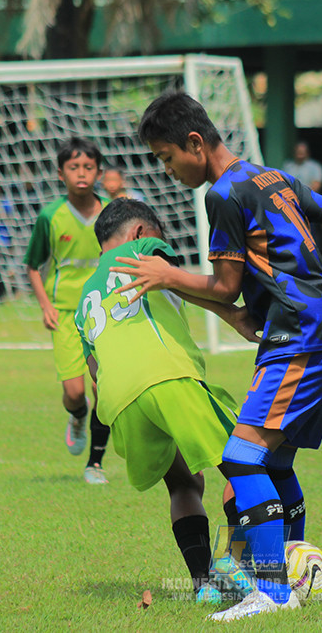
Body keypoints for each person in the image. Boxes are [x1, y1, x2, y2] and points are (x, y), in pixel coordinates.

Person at [112, 91, 322, 621]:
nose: (167, 170)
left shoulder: (222, 195)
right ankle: (288, 568)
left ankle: (270, 592)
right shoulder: (272, 178)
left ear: (195, 143)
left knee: (240, 458)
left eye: (166, 157)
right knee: (272, 460)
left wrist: (166, 276)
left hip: (299, 338)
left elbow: (225, 287)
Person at [76, 197, 258, 604]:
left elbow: (93, 366)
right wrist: (233, 315)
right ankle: (235, 562)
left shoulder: (84, 297)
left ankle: (203, 586)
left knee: (183, 482)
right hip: (168, 378)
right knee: (247, 465)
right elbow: (174, 278)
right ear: (141, 232)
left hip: (119, 403)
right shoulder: (141, 250)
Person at [24, 137, 112, 485]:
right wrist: (45, 305)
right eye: (73, 167)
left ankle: (95, 465)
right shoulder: (50, 216)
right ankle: (76, 418)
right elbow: (33, 265)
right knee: (75, 394)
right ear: (61, 173)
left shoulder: (111, 212)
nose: (81, 173)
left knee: (102, 391)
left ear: (98, 172)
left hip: (104, 314)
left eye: (88, 167)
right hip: (64, 313)